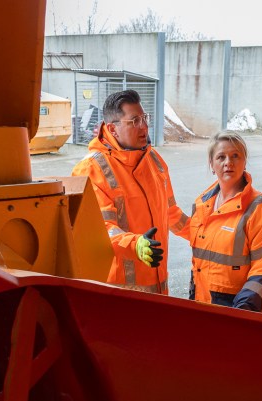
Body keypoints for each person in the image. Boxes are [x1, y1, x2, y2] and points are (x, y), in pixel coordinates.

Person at [72, 89, 188, 294]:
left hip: (159, 286)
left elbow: (171, 212)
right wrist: (135, 245)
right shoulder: (92, 169)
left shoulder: (154, 161)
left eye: (144, 118)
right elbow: (100, 229)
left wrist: (202, 233)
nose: (144, 126)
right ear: (112, 129)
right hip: (118, 295)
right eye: (134, 121)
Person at [184, 132, 262, 313]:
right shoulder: (202, 204)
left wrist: (244, 306)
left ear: (244, 162)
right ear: (212, 165)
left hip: (237, 304)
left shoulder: (260, 208)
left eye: (235, 155)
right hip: (200, 299)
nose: (228, 162)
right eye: (221, 157)